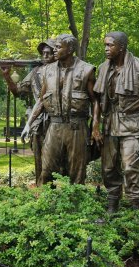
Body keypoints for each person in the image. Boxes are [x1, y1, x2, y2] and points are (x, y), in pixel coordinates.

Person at [93, 31, 139, 212]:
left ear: (122, 47)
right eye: (105, 45)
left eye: (110, 45)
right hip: (109, 125)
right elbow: (98, 100)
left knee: (131, 169)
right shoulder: (103, 68)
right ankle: (112, 209)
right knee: (108, 169)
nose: (106, 49)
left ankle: (135, 212)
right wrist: (95, 126)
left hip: (132, 125)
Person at [28, 34, 100, 185]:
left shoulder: (86, 70)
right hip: (54, 126)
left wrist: (95, 127)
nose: (54, 50)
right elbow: (41, 101)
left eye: (58, 47)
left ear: (70, 49)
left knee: (76, 171)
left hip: (76, 127)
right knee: (46, 169)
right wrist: (29, 123)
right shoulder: (47, 70)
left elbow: (95, 101)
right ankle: (47, 203)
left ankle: (76, 204)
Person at [1, 39, 56, 185]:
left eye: (49, 53)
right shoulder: (35, 73)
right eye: (43, 53)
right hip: (38, 122)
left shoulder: (62, 71)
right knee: (39, 154)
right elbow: (18, 91)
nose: (45, 56)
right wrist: (7, 77)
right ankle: (42, 186)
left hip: (57, 119)